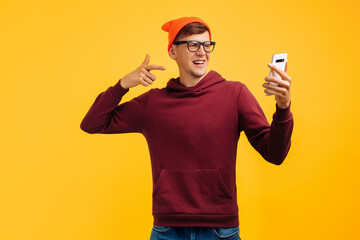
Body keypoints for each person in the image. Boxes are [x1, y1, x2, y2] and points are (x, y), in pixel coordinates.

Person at [80, 16, 293, 240]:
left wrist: (283, 108)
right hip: (167, 230)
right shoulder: (153, 103)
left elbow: (275, 154)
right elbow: (92, 123)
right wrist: (122, 85)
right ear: (173, 52)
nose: (202, 52)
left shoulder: (235, 94)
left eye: (206, 44)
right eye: (193, 45)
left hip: (221, 230)